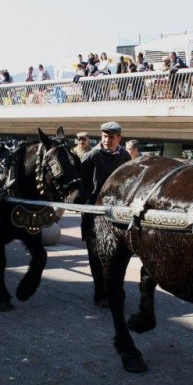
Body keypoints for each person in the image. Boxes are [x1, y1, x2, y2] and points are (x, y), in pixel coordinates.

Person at [80, 122, 131, 307]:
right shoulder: (92, 155)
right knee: (96, 256)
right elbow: (81, 183)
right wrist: (87, 202)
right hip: (94, 214)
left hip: (115, 215)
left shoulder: (125, 156)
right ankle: (99, 294)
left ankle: (115, 292)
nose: (107, 140)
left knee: (116, 255)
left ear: (119, 138)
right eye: (104, 136)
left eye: (111, 137)